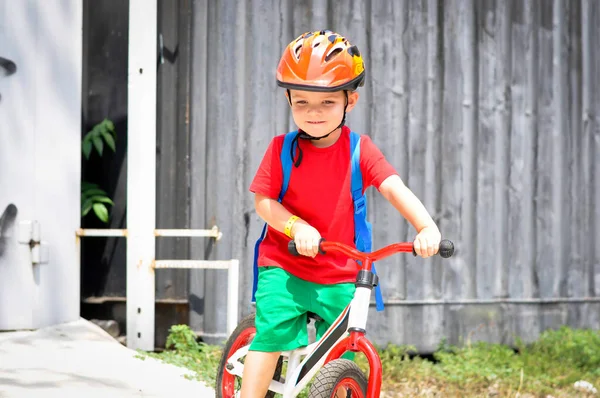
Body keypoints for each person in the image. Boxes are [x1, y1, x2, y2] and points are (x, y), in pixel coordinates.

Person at [241, 30, 441, 397]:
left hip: (339, 270)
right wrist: (295, 225)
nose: (313, 113)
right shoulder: (280, 149)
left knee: (342, 346)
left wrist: (425, 226)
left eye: (326, 103)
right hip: (285, 265)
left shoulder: (359, 150)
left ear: (351, 100)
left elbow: (393, 187)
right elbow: (264, 203)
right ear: (288, 99)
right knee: (271, 335)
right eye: (301, 102)